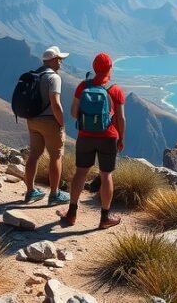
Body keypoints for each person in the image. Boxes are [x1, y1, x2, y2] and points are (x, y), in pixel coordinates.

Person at [57, 52, 125, 229]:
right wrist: (121, 138)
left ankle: (71, 214)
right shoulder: (115, 90)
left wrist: (88, 120)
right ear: (110, 68)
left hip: (85, 136)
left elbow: (73, 113)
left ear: (94, 68)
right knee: (106, 175)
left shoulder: (82, 86)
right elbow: (121, 118)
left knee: (80, 173)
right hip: (108, 136)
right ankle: (104, 218)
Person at [22, 46, 71, 205]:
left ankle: (30, 192)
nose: (61, 63)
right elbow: (55, 104)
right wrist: (62, 124)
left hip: (32, 121)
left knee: (34, 155)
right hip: (49, 121)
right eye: (60, 60)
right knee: (56, 157)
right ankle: (54, 194)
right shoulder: (54, 78)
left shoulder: (35, 74)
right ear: (54, 60)